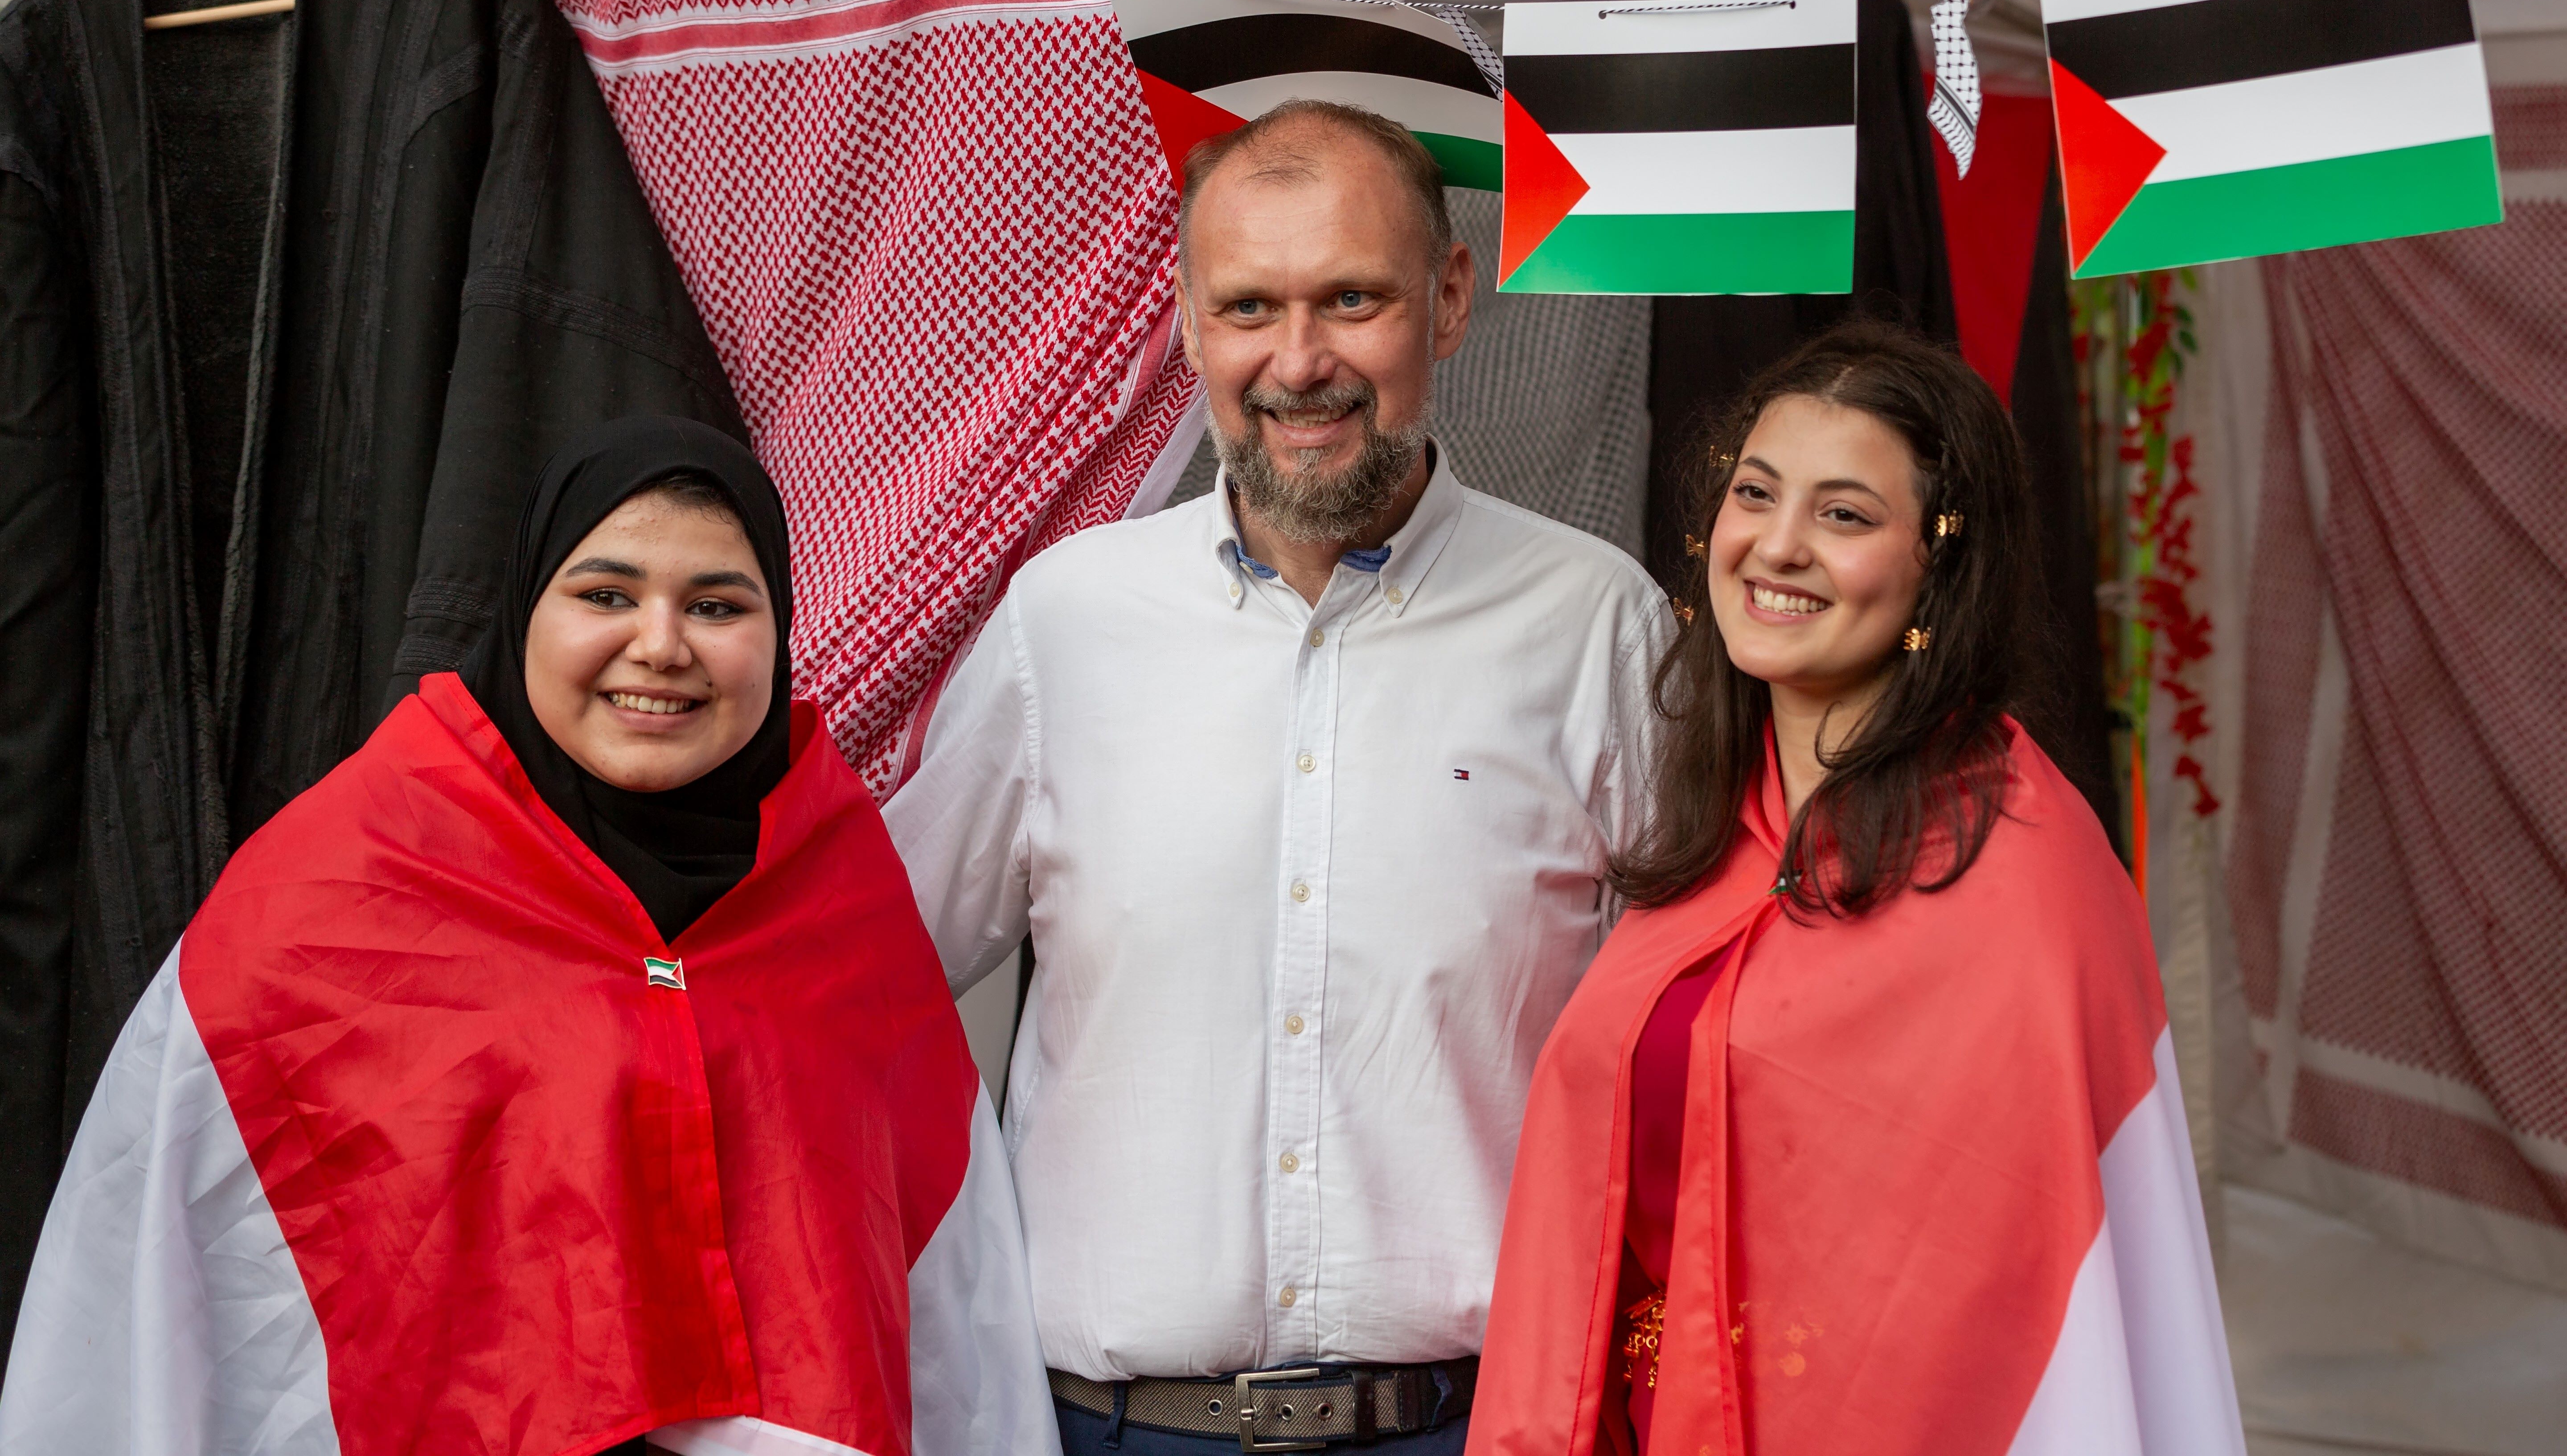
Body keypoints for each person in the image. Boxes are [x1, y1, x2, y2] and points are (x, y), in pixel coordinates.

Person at [0, 417, 1057, 1456]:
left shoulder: (845, 898)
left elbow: (947, 1297)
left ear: (777, 633)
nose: (661, 645)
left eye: (716, 605)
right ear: (523, 614)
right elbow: (172, 1270)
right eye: (606, 595)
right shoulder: (339, 888)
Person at [884, 100, 1671, 1454]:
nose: (1299, 364)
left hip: (1478, 1427)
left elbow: (1706, 1037)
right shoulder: (1062, 623)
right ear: (1189, 325)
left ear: (1450, 300)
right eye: (1249, 307)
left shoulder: (1599, 624)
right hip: (1112, 1434)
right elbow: (866, 965)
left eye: (1352, 299)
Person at [1467, 324, 2245, 1456]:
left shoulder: (2022, 871)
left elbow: (2031, 1294)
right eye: (1756, 494)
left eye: (1844, 515)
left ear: (1941, 563)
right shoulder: (1711, 827)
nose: (1778, 547)